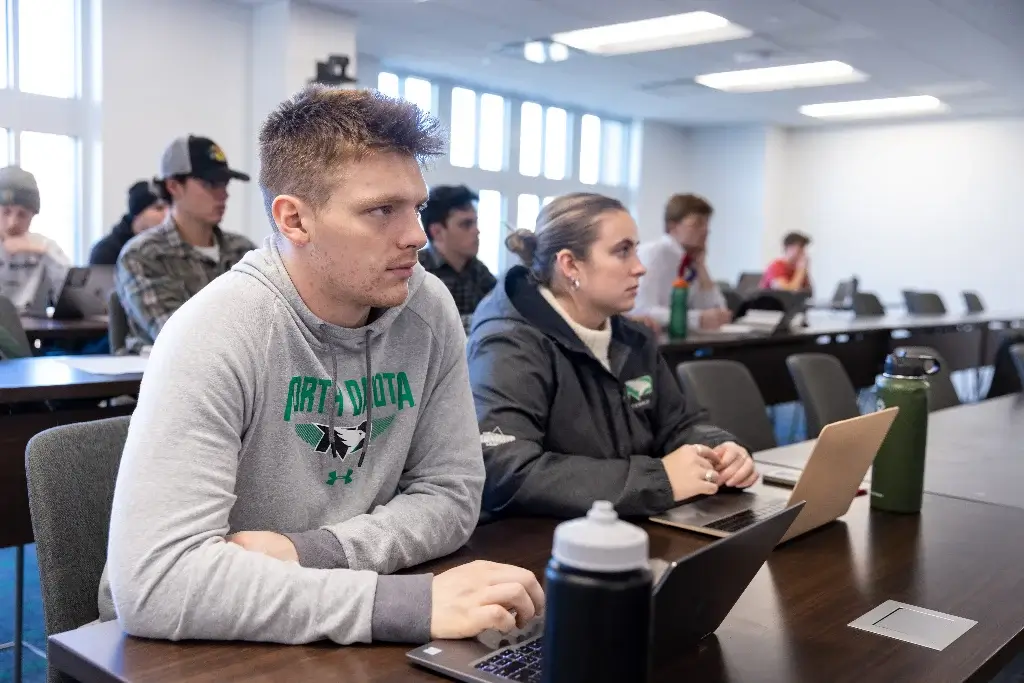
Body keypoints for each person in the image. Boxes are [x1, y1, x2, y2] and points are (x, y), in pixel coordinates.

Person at [101, 85, 543, 646]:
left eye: (417, 207)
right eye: (382, 210)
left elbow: (453, 496)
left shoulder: (426, 309)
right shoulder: (216, 331)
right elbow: (158, 583)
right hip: (189, 646)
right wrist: (404, 604)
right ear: (295, 221)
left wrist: (315, 551)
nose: (415, 237)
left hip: (326, 617)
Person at [467, 193, 759, 519]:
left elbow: (679, 424)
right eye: (623, 251)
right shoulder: (509, 344)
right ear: (570, 265)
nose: (640, 267)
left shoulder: (633, 339)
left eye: (635, 248)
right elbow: (505, 470)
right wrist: (659, 479)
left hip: (626, 527)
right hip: (538, 545)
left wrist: (722, 451)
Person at [115, 135, 257, 353]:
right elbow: (175, 335)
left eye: (225, 183)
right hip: (173, 380)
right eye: (210, 184)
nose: (224, 194)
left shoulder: (243, 250)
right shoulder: (143, 254)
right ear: (173, 186)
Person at [631, 193, 732, 332]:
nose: (706, 230)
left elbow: (718, 312)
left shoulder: (691, 261)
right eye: (697, 224)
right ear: (673, 227)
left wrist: (702, 268)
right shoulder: (653, 254)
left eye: (707, 224)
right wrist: (697, 319)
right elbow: (641, 310)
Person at [418, 184, 496, 328]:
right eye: (466, 224)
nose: (476, 231)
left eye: (475, 222)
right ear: (437, 232)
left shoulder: (478, 270)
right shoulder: (416, 271)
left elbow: (502, 311)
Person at [0, 165, 70, 313]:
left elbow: (71, 296)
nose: (13, 223)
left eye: (22, 215)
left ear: (33, 215)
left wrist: (45, 253)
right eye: (6, 212)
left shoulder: (44, 247)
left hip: (33, 330)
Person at [89, 181, 168, 265]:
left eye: (170, 207)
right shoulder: (106, 252)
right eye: (159, 208)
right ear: (138, 213)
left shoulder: (169, 246)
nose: (168, 213)